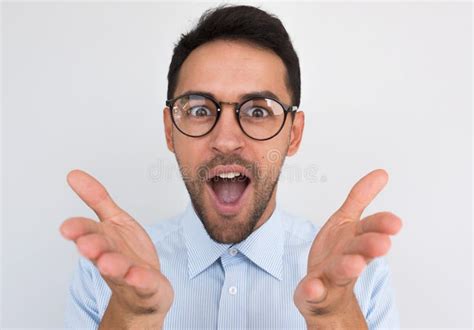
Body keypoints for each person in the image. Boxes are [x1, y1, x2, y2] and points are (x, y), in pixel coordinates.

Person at [61, 5, 403, 329]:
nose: (226, 140)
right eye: (198, 110)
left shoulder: (357, 277)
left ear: (294, 134)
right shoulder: (110, 274)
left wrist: (333, 317)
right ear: (169, 130)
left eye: (257, 111)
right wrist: (133, 317)